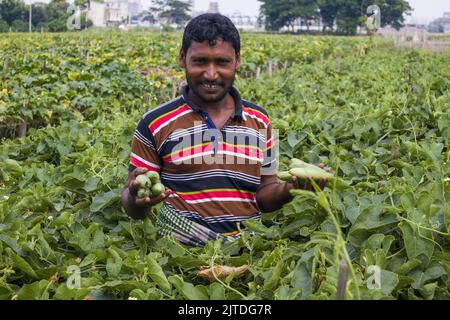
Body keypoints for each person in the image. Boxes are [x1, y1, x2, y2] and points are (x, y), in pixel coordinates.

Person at [121, 13, 326, 247]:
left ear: (237, 61)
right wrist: (137, 200)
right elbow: (131, 205)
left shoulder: (260, 121)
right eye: (200, 61)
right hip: (176, 257)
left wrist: (290, 190)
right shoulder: (154, 122)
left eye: (222, 62)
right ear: (182, 58)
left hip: (247, 252)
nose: (210, 74)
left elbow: (264, 194)